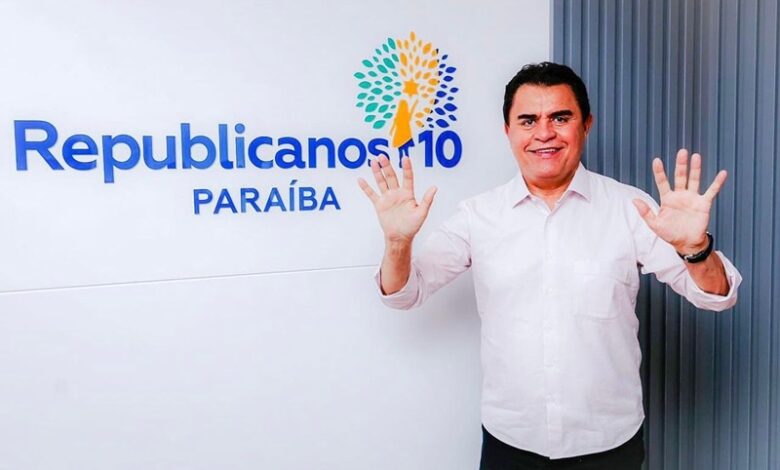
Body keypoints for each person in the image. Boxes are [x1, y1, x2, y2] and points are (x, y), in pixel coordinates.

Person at [357, 62, 741, 470]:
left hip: (609, 445)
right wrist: (397, 243)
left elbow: (716, 296)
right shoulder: (477, 215)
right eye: (528, 120)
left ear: (586, 124)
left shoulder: (630, 209)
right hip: (510, 443)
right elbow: (404, 293)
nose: (544, 133)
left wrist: (696, 248)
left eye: (561, 117)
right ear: (508, 131)